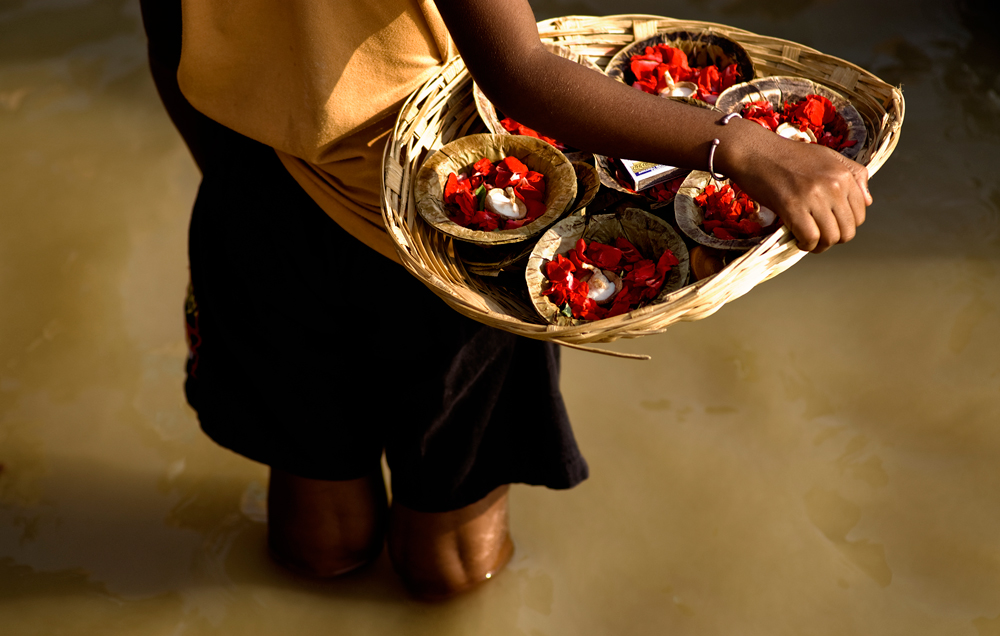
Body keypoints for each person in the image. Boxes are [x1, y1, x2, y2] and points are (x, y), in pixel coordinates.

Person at [141, 0, 870, 601]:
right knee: (453, 559)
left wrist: (251, 187)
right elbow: (521, 72)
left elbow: (165, 39)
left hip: (253, 200)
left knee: (321, 533)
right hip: (436, 239)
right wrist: (743, 147)